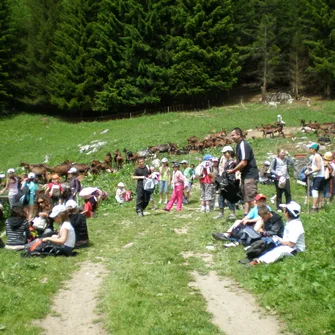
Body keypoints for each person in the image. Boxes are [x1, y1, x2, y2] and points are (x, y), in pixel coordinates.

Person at [249, 201, 305, 265]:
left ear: (287, 213)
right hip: (286, 244)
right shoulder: (291, 222)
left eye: (285, 210)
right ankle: (254, 252)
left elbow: (291, 244)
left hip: (296, 250)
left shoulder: (295, 225)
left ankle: (259, 261)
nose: (284, 212)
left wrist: (280, 241)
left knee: (280, 250)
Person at [227, 127, 259, 216]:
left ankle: (263, 217)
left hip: (250, 175)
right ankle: (246, 217)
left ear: (239, 135)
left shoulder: (243, 145)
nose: (232, 137)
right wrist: (235, 163)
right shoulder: (238, 146)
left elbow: (244, 162)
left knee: (252, 199)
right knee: (247, 198)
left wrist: (233, 170)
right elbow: (241, 160)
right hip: (245, 176)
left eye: (233, 135)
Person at [213, 146, 237, 220]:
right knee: (221, 197)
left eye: (225, 153)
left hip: (229, 182)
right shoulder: (226, 161)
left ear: (229, 152)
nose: (224, 155)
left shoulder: (232, 162)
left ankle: (232, 213)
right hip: (224, 181)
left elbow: (232, 174)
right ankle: (221, 213)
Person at [305, 143, 325, 212]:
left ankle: (314, 208)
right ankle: (319, 206)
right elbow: (316, 167)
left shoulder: (317, 157)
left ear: (313, 149)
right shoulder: (315, 156)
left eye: (310, 148)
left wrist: (310, 172)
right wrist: (310, 168)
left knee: (315, 191)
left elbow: (319, 168)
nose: (309, 150)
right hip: (319, 175)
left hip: (319, 176)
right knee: (319, 191)